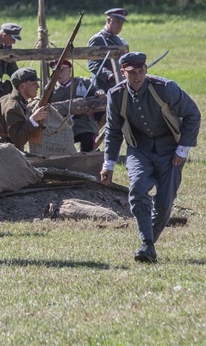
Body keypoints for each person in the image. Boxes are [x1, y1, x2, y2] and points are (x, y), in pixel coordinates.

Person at [100, 52, 201, 263]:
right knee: (137, 187)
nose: (138, 77)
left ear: (145, 69)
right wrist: (108, 164)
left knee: (164, 203)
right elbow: (113, 131)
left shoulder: (165, 88)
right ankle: (146, 244)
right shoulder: (116, 95)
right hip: (139, 148)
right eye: (132, 73)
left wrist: (182, 149)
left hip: (170, 149)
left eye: (141, 71)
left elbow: (193, 113)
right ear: (122, 73)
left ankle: (148, 246)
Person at [0, 67, 47, 151]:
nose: (38, 86)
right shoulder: (14, 106)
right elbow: (18, 140)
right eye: (34, 83)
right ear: (22, 86)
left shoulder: (6, 99)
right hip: (1, 151)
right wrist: (33, 119)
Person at [48, 60, 105, 152]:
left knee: (88, 139)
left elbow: (95, 91)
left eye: (61, 70)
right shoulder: (50, 88)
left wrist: (99, 92)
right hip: (59, 125)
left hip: (83, 123)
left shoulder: (83, 83)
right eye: (55, 71)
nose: (58, 73)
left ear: (69, 70)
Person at [87, 8, 128, 93]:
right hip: (102, 88)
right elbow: (92, 64)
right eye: (117, 21)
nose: (120, 25)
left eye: (122, 22)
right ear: (108, 20)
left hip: (119, 85)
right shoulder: (98, 39)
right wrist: (108, 75)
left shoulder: (121, 41)